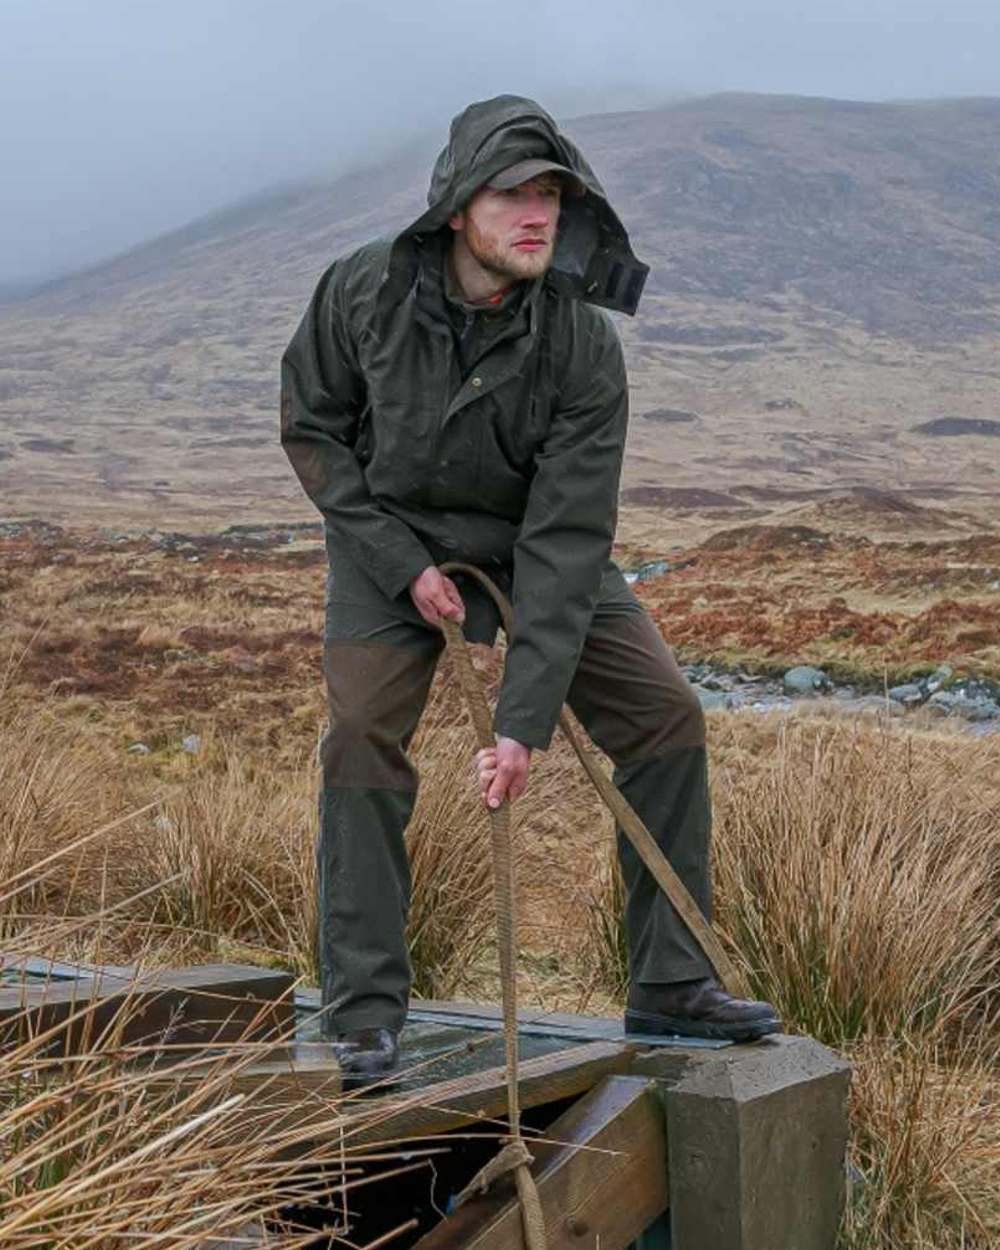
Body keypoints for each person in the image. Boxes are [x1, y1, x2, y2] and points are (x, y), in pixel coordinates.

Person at [280, 94, 779, 1083]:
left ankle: (672, 981)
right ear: (459, 205)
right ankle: (363, 1012)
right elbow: (314, 430)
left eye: (552, 194)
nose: (537, 213)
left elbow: (566, 535)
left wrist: (522, 724)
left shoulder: (582, 342)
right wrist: (399, 563)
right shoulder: (362, 290)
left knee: (666, 717)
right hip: (390, 545)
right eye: (513, 193)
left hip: (530, 549)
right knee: (361, 737)